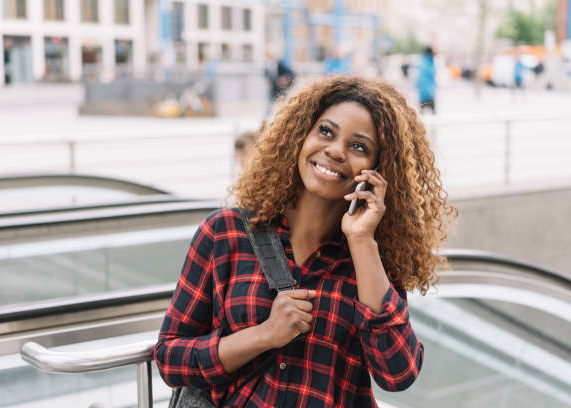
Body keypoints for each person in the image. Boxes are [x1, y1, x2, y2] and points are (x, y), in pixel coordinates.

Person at [154, 76, 456, 407]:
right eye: (326, 132)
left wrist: (361, 240)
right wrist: (263, 335)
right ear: (301, 136)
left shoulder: (370, 261)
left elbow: (397, 374)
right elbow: (170, 357)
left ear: (378, 170)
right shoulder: (225, 232)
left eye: (359, 146)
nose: (336, 151)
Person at [415, 46, 436, 115]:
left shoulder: (422, 62)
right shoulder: (429, 63)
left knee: (421, 115)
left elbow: (418, 79)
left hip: (422, 94)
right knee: (434, 116)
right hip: (429, 93)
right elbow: (430, 77)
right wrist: (431, 92)